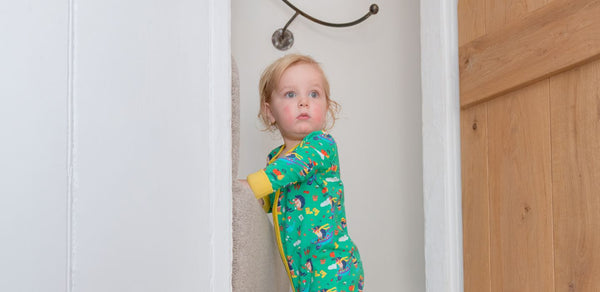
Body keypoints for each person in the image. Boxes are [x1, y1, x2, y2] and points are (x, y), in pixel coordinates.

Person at [244, 54, 364, 292]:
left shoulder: (321, 145)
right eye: (291, 94)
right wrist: (258, 199)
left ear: (327, 108)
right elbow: (280, 198)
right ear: (270, 112)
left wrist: (246, 187)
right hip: (302, 271)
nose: (304, 102)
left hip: (333, 269)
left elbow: (292, 169)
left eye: (314, 94)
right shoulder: (275, 159)